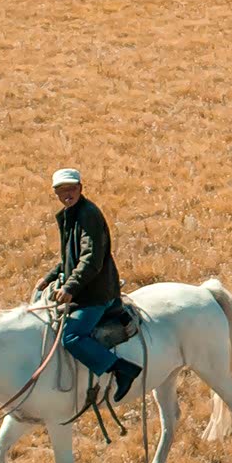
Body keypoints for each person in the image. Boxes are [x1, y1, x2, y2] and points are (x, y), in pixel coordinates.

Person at [34, 168, 142, 402]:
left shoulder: (87, 215)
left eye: (71, 188)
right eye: (62, 190)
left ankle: (121, 369)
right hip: (83, 288)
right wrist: (49, 278)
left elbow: (91, 258)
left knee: (71, 337)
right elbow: (69, 258)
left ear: (81, 188)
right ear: (55, 193)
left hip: (96, 294)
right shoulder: (70, 214)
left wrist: (70, 287)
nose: (67, 193)